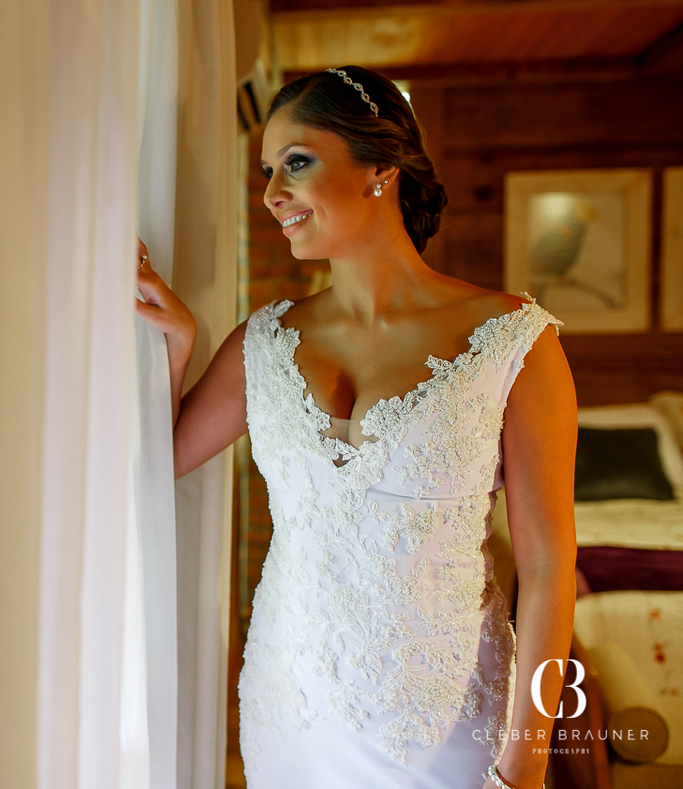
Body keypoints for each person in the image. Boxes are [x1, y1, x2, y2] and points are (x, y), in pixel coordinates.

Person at [135, 66, 577, 789]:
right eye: (268, 171)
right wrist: (180, 343)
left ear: (380, 167)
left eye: (296, 163)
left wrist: (525, 761)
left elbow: (550, 566)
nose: (272, 193)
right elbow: (154, 462)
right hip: (290, 711)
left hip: (448, 724)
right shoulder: (262, 343)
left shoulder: (512, 340)